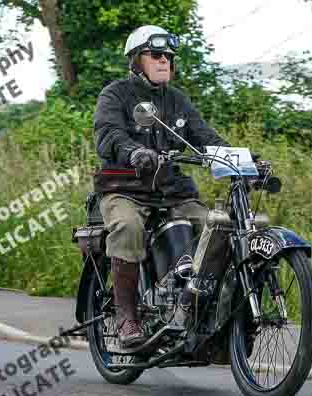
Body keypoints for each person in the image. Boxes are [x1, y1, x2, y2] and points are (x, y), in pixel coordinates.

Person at [93, 25, 231, 349]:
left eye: (168, 56)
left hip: (172, 191)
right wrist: (134, 152)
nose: (164, 61)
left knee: (218, 229)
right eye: (155, 55)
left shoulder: (177, 101)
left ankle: (198, 311)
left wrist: (241, 160)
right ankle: (127, 317)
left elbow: (205, 138)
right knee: (127, 227)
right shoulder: (115, 95)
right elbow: (109, 135)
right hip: (126, 188)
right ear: (135, 60)